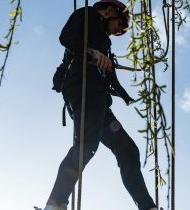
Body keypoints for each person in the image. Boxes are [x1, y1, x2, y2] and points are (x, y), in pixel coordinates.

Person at [43, 1, 158, 210]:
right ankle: (55, 203)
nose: (118, 31)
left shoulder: (104, 40)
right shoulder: (87, 14)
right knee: (86, 145)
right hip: (83, 87)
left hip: (98, 98)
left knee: (128, 150)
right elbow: (66, 37)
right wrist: (92, 53)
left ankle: (147, 206)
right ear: (111, 10)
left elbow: (105, 71)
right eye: (120, 25)